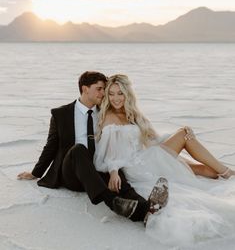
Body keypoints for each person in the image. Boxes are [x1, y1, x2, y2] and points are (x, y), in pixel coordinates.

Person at [94, 74, 235, 246]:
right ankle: (229, 173)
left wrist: (177, 136)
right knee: (184, 136)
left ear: (128, 94)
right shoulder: (109, 117)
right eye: (112, 94)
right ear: (107, 96)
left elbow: (154, 140)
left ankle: (221, 171)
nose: (116, 98)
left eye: (120, 93)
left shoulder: (134, 115)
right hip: (136, 166)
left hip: (150, 156)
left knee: (211, 174)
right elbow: (109, 152)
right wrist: (114, 171)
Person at [17, 71, 168, 223]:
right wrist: (36, 172)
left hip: (97, 169)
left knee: (118, 175)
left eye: (104, 89)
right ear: (85, 89)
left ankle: (145, 209)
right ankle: (113, 202)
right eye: (99, 89)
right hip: (71, 173)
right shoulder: (61, 114)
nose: (103, 93)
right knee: (78, 149)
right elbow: (51, 146)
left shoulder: (105, 112)